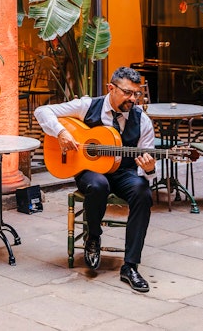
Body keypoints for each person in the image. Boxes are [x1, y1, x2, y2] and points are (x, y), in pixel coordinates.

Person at [33, 66, 157, 292]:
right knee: (98, 185)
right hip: (89, 169)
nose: (133, 99)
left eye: (136, 93)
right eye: (127, 92)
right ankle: (93, 237)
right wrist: (61, 132)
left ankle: (130, 266)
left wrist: (149, 169)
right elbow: (42, 111)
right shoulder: (87, 106)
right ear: (111, 88)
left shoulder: (143, 121)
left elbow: (146, 165)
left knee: (143, 192)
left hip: (124, 172)